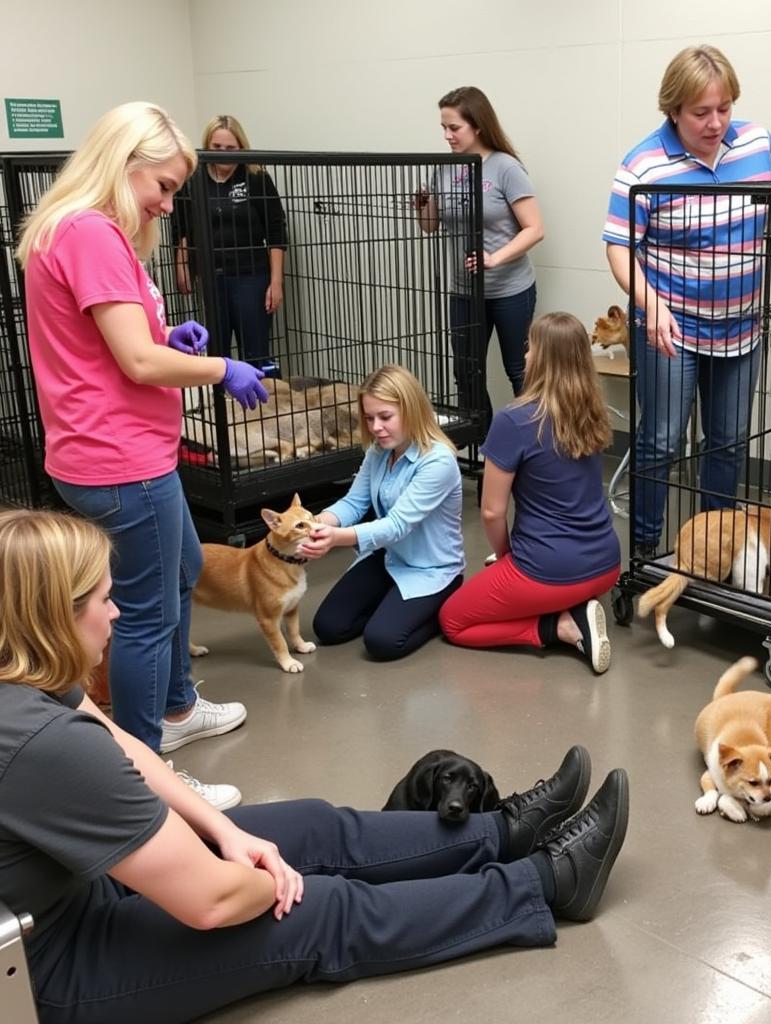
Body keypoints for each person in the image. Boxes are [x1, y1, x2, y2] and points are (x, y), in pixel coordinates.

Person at [0, 508, 630, 1024]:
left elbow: (128, 749)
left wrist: (230, 833)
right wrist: (278, 882)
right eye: (105, 601)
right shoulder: (39, 738)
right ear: (53, 613)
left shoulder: (28, 669)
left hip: (80, 882)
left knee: (311, 826)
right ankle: (545, 884)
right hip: (55, 964)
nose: (117, 614)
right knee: (322, 909)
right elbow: (213, 902)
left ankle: (502, 831)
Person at [17, 101, 269, 806]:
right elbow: (133, 361)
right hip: (120, 459)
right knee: (145, 614)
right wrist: (222, 368)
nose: (166, 202)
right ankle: (145, 775)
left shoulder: (70, 230)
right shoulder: (93, 233)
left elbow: (121, 338)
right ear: (121, 164)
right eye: (160, 185)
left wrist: (170, 333)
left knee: (184, 565)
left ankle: (180, 707)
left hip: (107, 449)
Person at [603, 44, 771, 556]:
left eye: (724, 108)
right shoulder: (643, 164)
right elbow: (618, 247)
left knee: (727, 442)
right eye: (701, 112)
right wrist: (651, 305)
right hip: (670, 327)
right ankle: (644, 550)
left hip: (742, 328)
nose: (715, 122)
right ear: (673, 109)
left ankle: (712, 550)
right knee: (661, 441)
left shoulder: (758, 144)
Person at [440, 313, 621, 674]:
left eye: (529, 347)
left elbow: (492, 512)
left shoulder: (514, 420)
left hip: (548, 570)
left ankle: (558, 628)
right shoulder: (593, 412)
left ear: (542, 358)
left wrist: (506, 556)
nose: (524, 355)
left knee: (452, 621)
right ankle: (576, 606)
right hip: (606, 565)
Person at [303, 365, 465, 660]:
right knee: (329, 627)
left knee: (383, 642)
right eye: (369, 418)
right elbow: (354, 503)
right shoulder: (378, 451)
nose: (376, 427)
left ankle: (440, 606)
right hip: (388, 556)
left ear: (411, 410)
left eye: (385, 417)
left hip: (429, 568)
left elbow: (396, 526)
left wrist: (335, 538)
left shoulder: (437, 461)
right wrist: (313, 524)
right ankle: (393, 607)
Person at [414, 86, 544, 431]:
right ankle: (483, 447)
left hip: (509, 289)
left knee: (519, 369)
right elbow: (430, 227)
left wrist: (494, 258)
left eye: (454, 128)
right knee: (467, 372)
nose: (447, 135)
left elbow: (535, 229)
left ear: (478, 125)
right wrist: (424, 205)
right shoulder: (443, 169)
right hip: (464, 290)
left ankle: (529, 446)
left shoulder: (506, 168)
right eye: (443, 127)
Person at [174, 114, 288, 370]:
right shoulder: (193, 180)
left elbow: (276, 230)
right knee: (216, 349)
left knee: (256, 350)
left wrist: (276, 281)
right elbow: (182, 226)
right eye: (216, 147)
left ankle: (265, 402)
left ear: (241, 147)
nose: (223, 153)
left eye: (230, 148)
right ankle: (222, 404)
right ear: (206, 146)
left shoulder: (256, 178)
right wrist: (182, 264)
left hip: (251, 276)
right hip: (210, 277)